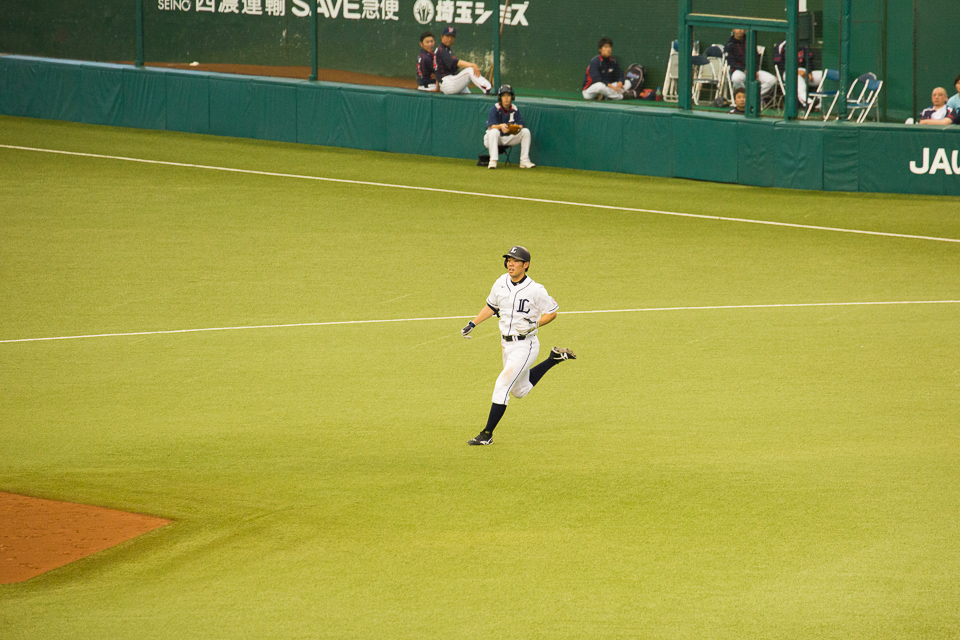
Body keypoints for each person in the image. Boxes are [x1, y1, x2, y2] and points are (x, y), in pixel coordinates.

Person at [461, 246, 576, 446]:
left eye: (515, 261)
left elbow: (552, 312)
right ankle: (553, 359)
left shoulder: (535, 289)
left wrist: (535, 324)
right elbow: (491, 306)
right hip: (506, 345)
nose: (510, 264)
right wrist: (473, 323)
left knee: (502, 385)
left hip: (526, 346)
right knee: (519, 391)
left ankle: (487, 434)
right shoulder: (501, 282)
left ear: (526, 265)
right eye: (508, 260)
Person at [483, 85, 535, 170]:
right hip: (493, 139)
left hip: (508, 137)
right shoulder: (495, 108)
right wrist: (501, 126)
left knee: (525, 131)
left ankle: (524, 161)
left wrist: (511, 128)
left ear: (512, 97)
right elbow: (491, 125)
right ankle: (493, 161)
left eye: (508, 95)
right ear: (500, 97)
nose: (506, 98)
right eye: (503, 95)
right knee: (494, 131)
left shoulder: (515, 109)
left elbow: (521, 125)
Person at [434, 26, 492, 95]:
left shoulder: (444, 49)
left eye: (452, 37)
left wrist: (437, 88)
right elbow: (455, 63)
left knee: (468, 95)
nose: (450, 39)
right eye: (447, 36)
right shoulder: (442, 50)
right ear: (442, 36)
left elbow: (438, 71)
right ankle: (488, 89)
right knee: (470, 70)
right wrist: (472, 65)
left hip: (449, 82)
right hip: (448, 83)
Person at [725, 29, 776, 101]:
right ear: (733, 30)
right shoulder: (729, 45)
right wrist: (744, 69)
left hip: (753, 70)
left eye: (742, 29)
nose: (740, 30)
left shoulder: (750, 42)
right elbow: (731, 62)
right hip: (739, 71)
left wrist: (754, 70)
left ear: (745, 30)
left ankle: (752, 97)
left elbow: (756, 58)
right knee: (736, 78)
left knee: (771, 80)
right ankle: (742, 97)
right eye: (738, 28)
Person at [774, 40, 822, 108]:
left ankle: (819, 106)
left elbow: (808, 61)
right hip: (788, 73)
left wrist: (809, 72)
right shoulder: (781, 46)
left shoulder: (803, 44)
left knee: (823, 76)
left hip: (804, 72)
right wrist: (794, 71)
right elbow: (779, 65)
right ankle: (808, 102)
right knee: (797, 78)